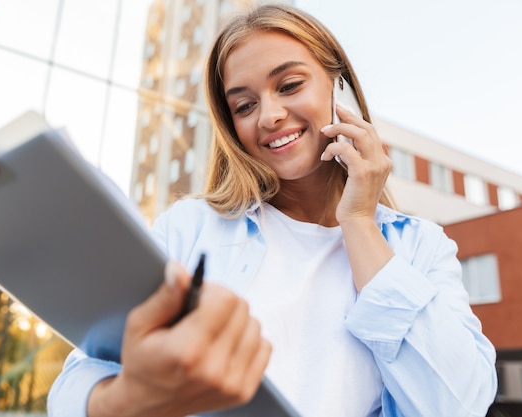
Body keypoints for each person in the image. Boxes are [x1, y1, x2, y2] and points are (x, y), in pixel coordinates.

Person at [47, 4, 497, 416]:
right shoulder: (189, 229)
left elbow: (459, 404)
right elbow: (74, 385)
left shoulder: (420, 246)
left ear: (341, 90)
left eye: (289, 85)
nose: (269, 115)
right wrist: (128, 398)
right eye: (245, 105)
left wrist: (359, 222)